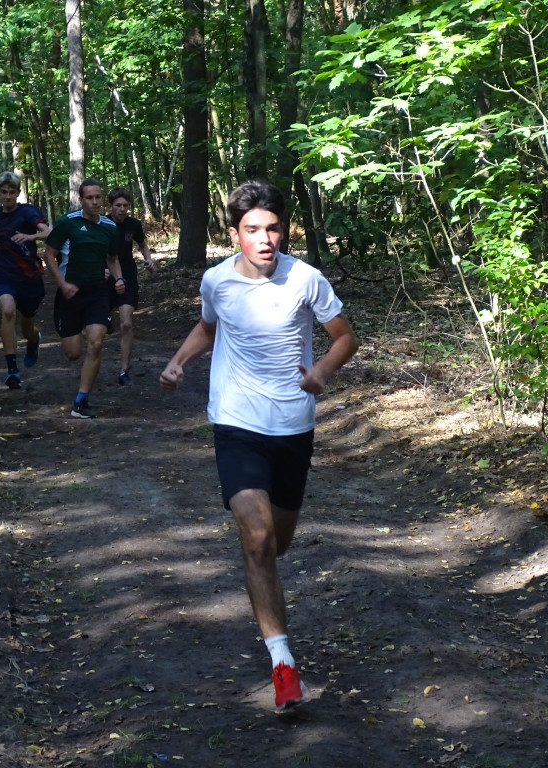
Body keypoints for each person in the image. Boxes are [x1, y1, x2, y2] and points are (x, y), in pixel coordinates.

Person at [159, 180, 359, 711]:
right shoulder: (216, 281)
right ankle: (283, 662)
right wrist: (180, 360)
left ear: (283, 231)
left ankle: (264, 583)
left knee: (278, 544)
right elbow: (208, 327)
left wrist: (320, 371)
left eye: (273, 229)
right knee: (256, 536)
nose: (265, 239)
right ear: (235, 234)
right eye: (253, 230)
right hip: (235, 419)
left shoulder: (306, 279)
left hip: (293, 425)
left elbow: (346, 337)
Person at [43, 179, 125, 419]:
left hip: (98, 292)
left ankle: (81, 401)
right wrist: (63, 284)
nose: (95, 202)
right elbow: (48, 255)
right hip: (70, 294)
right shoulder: (68, 223)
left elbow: (112, 258)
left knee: (97, 342)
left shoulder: (110, 227)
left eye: (98, 197)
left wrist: (119, 279)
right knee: (73, 353)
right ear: (81, 200)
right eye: (89, 198)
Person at [0, 171, 50, 390]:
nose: (7, 197)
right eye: (4, 192)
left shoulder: (28, 212)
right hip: (4, 275)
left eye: (12, 192)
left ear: (18, 193)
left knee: (28, 328)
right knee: (7, 311)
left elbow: (48, 231)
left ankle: (34, 340)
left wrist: (31, 236)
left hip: (30, 277)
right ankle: (12, 370)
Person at [107, 187, 156, 387]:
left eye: (125, 205)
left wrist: (149, 259)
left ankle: (123, 370)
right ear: (110, 206)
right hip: (104, 277)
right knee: (102, 326)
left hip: (128, 276)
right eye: (118, 205)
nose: (122, 209)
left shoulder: (133, 224)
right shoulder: (102, 223)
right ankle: (106, 318)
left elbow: (142, 244)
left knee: (126, 324)